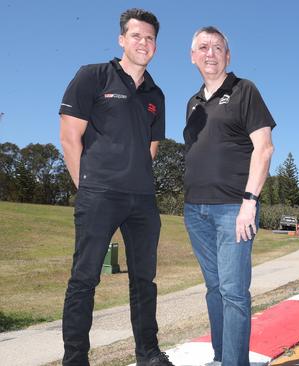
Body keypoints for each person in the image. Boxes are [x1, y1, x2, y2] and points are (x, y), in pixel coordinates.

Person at [59, 8, 173, 366]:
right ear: (122, 39)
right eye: (136, 36)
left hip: (142, 200)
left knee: (144, 281)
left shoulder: (157, 94)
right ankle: (75, 359)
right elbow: (69, 136)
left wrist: (132, 176)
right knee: (84, 279)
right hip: (99, 195)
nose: (143, 43)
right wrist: (87, 188)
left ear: (156, 45)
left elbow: (151, 148)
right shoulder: (93, 76)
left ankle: (149, 355)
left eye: (150, 38)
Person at [183, 26, 275, 366]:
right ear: (193, 56)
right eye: (203, 47)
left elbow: (264, 149)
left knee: (234, 293)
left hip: (234, 209)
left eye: (218, 47)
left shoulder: (244, 90)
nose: (210, 53)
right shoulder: (192, 103)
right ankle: (222, 358)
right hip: (195, 210)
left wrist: (249, 202)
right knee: (214, 290)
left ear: (228, 56)